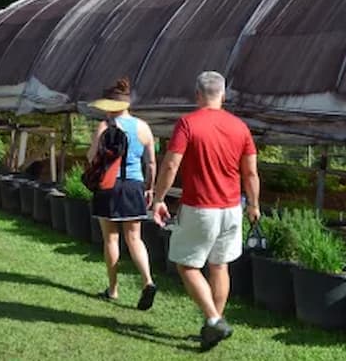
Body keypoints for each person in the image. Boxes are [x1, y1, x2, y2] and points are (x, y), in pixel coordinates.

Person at [149, 71, 260, 351]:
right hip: (232, 208)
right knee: (219, 266)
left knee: (186, 264)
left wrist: (158, 198)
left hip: (200, 207)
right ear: (223, 95)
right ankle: (213, 325)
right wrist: (255, 205)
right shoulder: (240, 128)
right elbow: (251, 173)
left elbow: (171, 165)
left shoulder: (188, 123)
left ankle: (213, 320)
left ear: (197, 95)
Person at [87, 77, 158, 310]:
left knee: (111, 238)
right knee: (134, 237)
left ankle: (113, 289)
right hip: (134, 185)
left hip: (109, 185)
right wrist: (149, 188)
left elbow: (91, 156)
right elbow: (151, 163)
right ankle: (147, 281)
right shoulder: (143, 127)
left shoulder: (105, 127)